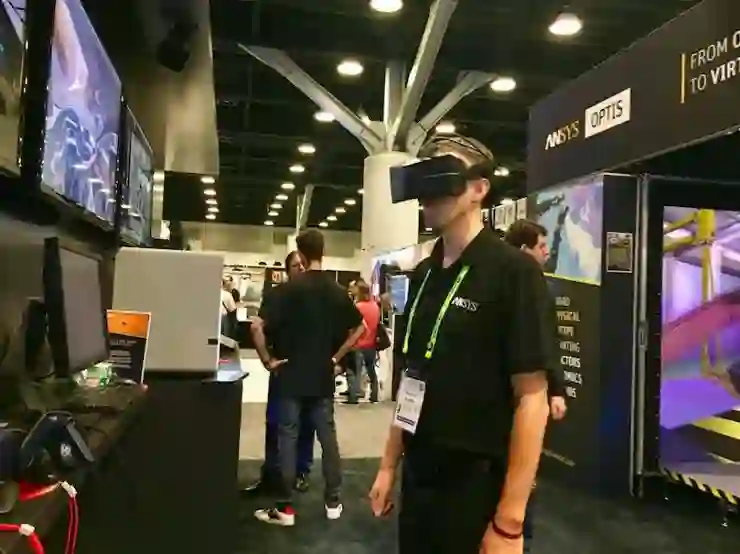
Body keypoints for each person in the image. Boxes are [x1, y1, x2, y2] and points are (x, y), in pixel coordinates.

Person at [368, 134, 553, 554]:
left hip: (477, 485)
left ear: (479, 189)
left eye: (443, 176)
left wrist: (510, 522)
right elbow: (412, 379)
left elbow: (532, 398)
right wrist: (388, 465)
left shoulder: (513, 273)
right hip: (421, 478)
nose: (429, 193)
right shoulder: (424, 274)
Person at [253, 230, 365, 526]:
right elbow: (360, 329)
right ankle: (333, 502)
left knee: (287, 439)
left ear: (300, 254)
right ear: (322, 252)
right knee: (327, 438)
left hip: (290, 375)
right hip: (322, 376)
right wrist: (336, 357)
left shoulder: (286, 291)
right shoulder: (337, 291)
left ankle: (285, 509)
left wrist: (268, 361)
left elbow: (256, 327)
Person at [504, 218, 568, 554]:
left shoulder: (520, 284)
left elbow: (546, 344)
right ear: (523, 249)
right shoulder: (527, 285)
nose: (546, 253)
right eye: (541, 246)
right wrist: (556, 389)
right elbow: (546, 344)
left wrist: (554, 389)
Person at [243, 251, 316, 495]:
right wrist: (267, 360)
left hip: (309, 373)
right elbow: (257, 326)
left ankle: (301, 472)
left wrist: (336, 362)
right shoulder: (277, 296)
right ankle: (272, 474)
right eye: (296, 265)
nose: (301, 268)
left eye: (304, 264)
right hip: (283, 371)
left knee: (305, 424)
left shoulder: (316, 297)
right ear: (287, 271)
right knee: (275, 424)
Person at [347, 281, 381, 404]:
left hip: (358, 344)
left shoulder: (357, 307)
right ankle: (374, 394)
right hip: (371, 344)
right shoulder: (375, 307)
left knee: (354, 371)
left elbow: (352, 325)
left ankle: (354, 395)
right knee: (371, 370)